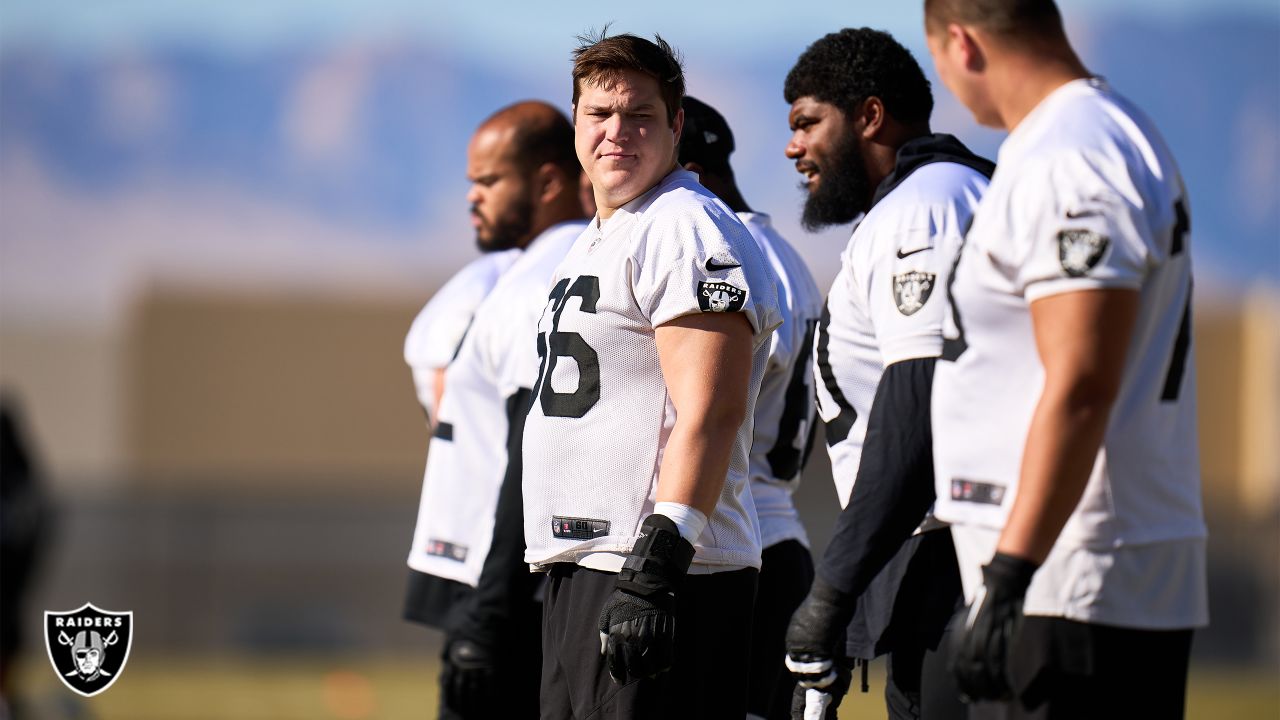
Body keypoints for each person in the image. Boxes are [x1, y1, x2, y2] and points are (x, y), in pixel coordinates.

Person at [923, 1, 1208, 717]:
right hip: (1071, 575)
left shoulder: (1069, 155)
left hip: (1072, 583)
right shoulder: (1085, 134)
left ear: (961, 43)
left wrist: (1014, 574)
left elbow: (1082, 380)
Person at [520, 31, 781, 719]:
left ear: (676, 126)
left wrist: (657, 565)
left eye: (639, 116)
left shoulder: (684, 226)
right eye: (599, 114)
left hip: (661, 571)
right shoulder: (604, 233)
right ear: (575, 120)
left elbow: (712, 407)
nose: (617, 133)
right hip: (590, 564)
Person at [778, 28, 994, 720]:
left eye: (809, 122)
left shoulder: (924, 206)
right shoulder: (915, 204)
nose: (792, 147)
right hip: (934, 556)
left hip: (957, 561)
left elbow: (916, 410)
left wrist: (833, 589)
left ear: (870, 116)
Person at [402, 101, 588, 719]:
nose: (472, 199)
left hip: (507, 583)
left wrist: (485, 614)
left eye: (489, 181)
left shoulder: (541, 281)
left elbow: (528, 457)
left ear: (547, 180)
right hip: (507, 578)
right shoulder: (515, 272)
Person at [677, 95, 824, 720]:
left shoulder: (729, 255)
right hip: (775, 532)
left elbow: (710, 409)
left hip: (736, 545)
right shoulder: (786, 256)